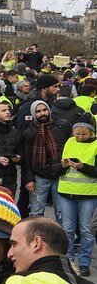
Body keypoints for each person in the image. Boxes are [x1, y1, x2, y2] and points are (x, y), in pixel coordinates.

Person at [55, 117, 97, 275]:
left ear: (92, 133)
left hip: (89, 194)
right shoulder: (69, 142)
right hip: (67, 192)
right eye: (77, 133)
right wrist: (63, 165)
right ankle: (69, 261)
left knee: (86, 230)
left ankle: (85, 263)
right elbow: (59, 165)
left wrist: (83, 167)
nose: (79, 137)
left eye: (83, 134)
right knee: (67, 230)